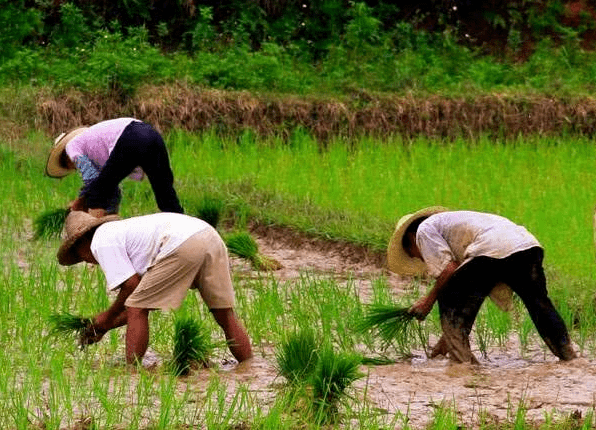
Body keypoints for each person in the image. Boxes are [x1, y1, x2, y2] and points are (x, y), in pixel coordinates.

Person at [57, 210, 252, 366]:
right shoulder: (122, 234)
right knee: (224, 313)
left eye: (80, 257)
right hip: (209, 236)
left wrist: (106, 316)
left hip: (180, 243)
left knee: (136, 307)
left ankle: (131, 373)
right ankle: (248, 368)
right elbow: (143, 302)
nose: (87, 261)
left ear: (82, 243)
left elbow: (132, 293)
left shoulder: (100, 242)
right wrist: (104, 325)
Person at [387, 207, 576, 364]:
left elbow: (449, 271)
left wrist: (428, 301)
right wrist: (448, 337)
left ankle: (463, 366)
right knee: (540, 305)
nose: (421, 258)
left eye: (414, 254)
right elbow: (472, 295)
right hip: (527, 246)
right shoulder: (458, 222)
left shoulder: (424, 230)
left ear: (412, 239)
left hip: (492, 249)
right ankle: (569, 358)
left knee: (448, 294)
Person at [46, 117, 184, 217]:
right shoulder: (93, 147)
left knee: (97, 196)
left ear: (66, 158)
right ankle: (185, 229)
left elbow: (93, 182)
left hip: (130, 137)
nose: (74, 168)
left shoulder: (71, 147)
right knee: (166, 196)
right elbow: (110, 185)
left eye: (69, 165)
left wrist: (78, 204)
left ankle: (95, 235)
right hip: (151, 134)